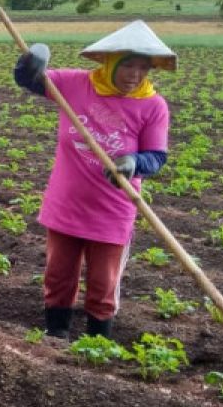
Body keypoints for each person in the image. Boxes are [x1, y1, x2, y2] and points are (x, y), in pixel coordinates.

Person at [14, 19, 173, 340]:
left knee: (103, 283)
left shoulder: (153, 106)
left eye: (144, 68)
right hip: (66, 203)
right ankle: (56, 334)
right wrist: (32, 61)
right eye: (128, 65)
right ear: (111, 61)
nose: (135, 75)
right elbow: (29, 80)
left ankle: (98, 345)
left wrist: (133, 162)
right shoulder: (74, 84)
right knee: (59, 275)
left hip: (112, 209)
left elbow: (156, 157)